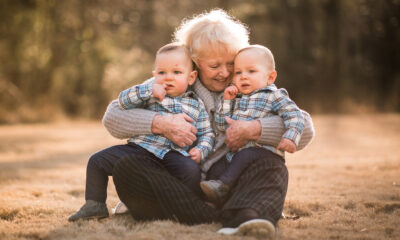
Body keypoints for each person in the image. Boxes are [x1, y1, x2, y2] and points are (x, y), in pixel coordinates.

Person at [103, 9, 315, 239]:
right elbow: (112, 117)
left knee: (270, 163)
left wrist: (255, 129)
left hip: (229, 183)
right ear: (195, 64)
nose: (225, 73)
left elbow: (305, 129)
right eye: (214, 66)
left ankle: (246, 215)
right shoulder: (173, 80)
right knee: (128, 167)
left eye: (231, 64)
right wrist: (161, 123)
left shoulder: (250, 84)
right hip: (177, 184)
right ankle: (214, 214)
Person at [68, 43, 214, 222]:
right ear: (154, 75)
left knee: (191, 171)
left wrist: (201, 150)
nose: (168, 78)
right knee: (97, 161)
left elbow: (207, 133)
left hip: (173, 154)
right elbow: (122, 102)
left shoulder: (196, 104)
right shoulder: (148, 92)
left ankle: (188, 205)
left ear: (191, 77)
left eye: (176, 72)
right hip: (139, 150)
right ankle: (95, 204)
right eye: (161, 73)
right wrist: (147, 91)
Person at [200, 44, 305, 206]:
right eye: (238, 72)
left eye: (251, 71)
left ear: (270, 77)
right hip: (235, 155)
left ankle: (223, 187)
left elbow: (295, 115)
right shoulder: (237, 98)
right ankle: (215, 200)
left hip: (262, 153)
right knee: (217, 167)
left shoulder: (274, 96)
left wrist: (291, 137)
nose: (243, 77)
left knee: (245, 156)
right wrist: (227, 102)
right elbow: (222, 125)